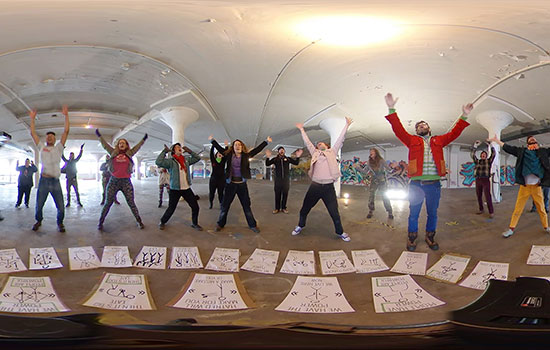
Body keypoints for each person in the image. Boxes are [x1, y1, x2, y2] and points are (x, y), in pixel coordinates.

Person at [384, 92, 473, 251]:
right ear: (416, 131)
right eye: (418, 126)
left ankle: (430, 236)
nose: (421, 126)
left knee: (433, 213)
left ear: (429, 128)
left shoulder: (438, 140)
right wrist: (391, 109)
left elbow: (454, 133)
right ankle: (412, 238)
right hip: (416, 184)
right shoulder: (412, 140)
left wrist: (464, 116)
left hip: (434, 185)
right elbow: (398, 129)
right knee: (414, 214)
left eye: (423, 125)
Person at [291, 117, 353, 242]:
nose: (319, 144)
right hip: (315, 186)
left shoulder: (332, 152)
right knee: (304, 209)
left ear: (327, 145)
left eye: (321, 143)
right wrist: (302, 129)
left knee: (334, 212)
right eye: (318, 144)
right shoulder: (315, 153)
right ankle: (300, 226)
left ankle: (340, 232)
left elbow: (341, 139)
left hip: (328, 187)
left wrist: (346, 125)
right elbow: (308, 142)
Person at [487, 135, 550, 238]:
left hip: (537, 187)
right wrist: (496, 140)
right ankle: (511, 229)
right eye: (530, 139)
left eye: (533, 139)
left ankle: (546, 227)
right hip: (524, 187)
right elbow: (508, 148)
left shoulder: (542, 152)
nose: (532, 139)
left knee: (542, 209)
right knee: (518, 209)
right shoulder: (522, 152)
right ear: (527, 143)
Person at [210, 135, 271, 233]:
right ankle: (220, 224)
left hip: (242, 184)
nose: (237, 146)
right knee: (225, 206)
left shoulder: (246, 156)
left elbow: (256, 150)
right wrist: (213, 141)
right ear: (233, 147)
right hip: (230, 184)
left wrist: (266, 142)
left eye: (239, 145)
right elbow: (220, 149)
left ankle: (252, 225)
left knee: (246, 206)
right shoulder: (229, 155)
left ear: (242, 147)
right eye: (235, 145)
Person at [96, 129, 147, 230]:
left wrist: (143, 140)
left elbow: (137, 147)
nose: (121, 144)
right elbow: (105, 145)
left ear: (126, 145)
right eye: (120, 143)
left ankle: (139, 221)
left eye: (123, 143)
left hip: (126, 182)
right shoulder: (113, 152)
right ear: (118, 145)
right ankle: (100, 222)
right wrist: (99, 136)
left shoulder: (129, 153)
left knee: (131, 202)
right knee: (108, 203)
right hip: (114, 181)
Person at [29, 106, 70, 232]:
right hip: (44, 181)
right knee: (39, 205)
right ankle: (39, 220)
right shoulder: (41, 147)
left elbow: (66, 132)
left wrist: (66, 116)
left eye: (52, 136)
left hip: (55, 182)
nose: (50, 137)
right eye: (48, 136)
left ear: (55, 139)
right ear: (46, 139)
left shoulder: (59, 148)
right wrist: (32, 119)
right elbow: (33, 133)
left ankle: (60, 223)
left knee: (61, 207)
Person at [156, 143, 202, 230]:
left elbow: (197, 158)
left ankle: (194, 223)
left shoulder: (186, 160)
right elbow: (158, 162)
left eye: (179, 147)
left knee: (195, 207)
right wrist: (164, 152)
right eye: (177, 147)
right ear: (173, 151)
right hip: (175, 189)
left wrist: (190, 151)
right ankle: (162, 221)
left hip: (186, 188)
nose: (179, 148)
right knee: (171, 208)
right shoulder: (170, 161)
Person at [265, 146, 302, 214]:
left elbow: (296, 163)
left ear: (284, 151)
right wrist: (267, 157)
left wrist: (298, 156)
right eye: (280, 150)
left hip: (286, 180)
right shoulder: (275, 159)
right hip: (278, 180)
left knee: (285, 194)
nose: (281, 151)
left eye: (283, 150)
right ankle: (277, 208)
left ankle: (284, 208)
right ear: (278, 152)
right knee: (277, 195)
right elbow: (267, 164)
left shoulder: (288, 159)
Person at [366, 148, 393, 219]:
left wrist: (392, 167)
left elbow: (389, 169)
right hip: (374, 181)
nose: (370, 153)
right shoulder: (369, 162)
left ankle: (390, 212)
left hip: (382, 181)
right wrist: (357, 168)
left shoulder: (381, 160)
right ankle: (371, 211)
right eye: (370, 152)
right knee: (371, 195)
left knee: (385, 196)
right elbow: (365, 171)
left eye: (372, 152)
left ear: (376, 153)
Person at [471, 140, 495, 217]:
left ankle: (491, 212)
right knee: (479, 195)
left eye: (485, 154)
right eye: (482, 154)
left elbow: (494, 154)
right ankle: (481, 209)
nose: (483, 155)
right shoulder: (477, 161)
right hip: (478, 179)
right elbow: (472, 155)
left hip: (485, 180)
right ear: (481, 156)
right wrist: (475, 146)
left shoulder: (489, 161)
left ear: (486, 156)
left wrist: (490, 145)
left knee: (487, 196)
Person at [209, 143, 227, 209]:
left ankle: (221, 204)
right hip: (213, 180)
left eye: (220, 154)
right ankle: (211, 203)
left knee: (221, 193)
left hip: (221, 180)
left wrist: (226, 146)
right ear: (216, 155)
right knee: (211, 193)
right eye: (218, 153)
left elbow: (225, 154)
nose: (219, 154)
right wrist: (213, 145)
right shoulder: (213, 160)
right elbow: (211, 154)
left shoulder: (223, 161)